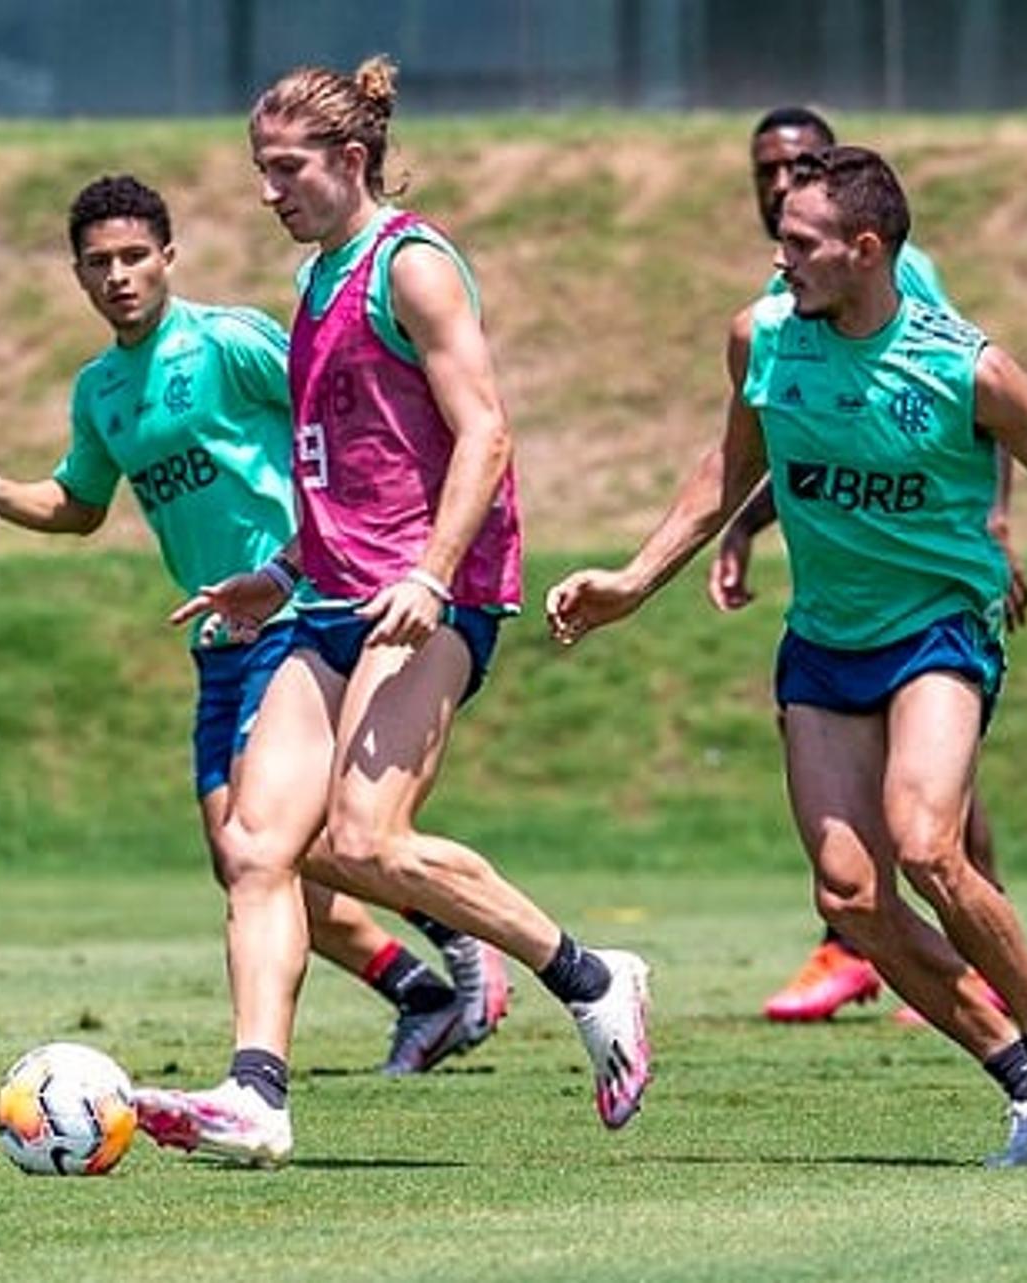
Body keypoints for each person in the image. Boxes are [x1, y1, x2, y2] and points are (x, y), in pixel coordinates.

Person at [546, 145, 1027, 1167]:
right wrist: (636, 580)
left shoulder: (966, 365)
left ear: (866, 251)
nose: (781, 262)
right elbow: (727, 467)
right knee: (848, 896)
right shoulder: (763, 338)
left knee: (925, 844)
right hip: (822, 639)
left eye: (801, 244)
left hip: (937, 628)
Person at [131, 56, 653, 1168]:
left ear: (351, 160)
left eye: (285, 169)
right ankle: (256, 1092)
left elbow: (485, 432)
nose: (267, 191)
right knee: (258, 843)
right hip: (319, 598)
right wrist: (274, 568)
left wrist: (429, 571)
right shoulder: (316, 281)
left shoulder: (409, 265)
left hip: (433, 596)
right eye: (259, 171)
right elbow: (345, 469)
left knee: (367, 839)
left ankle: (593, 976)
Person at [0, 173, 511, 1080]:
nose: (117, 276)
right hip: (217, 639)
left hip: (298, 606)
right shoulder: (102, 391)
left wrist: (354, 548)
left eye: (132, 257)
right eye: (97, 263)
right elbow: (79, 504)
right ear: (77, 276)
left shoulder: (228, 343)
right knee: (239, 860)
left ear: (167, 258)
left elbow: (339, 414)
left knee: (270, 846)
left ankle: (456, 938)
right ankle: (421, 992)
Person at [716, 106, 1027, 1024]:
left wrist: (997, 524)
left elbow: (958, 400)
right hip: (837, 598)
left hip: (927, 574)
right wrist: (742, 525)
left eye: (800, 164)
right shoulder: (787, 300)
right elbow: (818, 437)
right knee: (888, 792)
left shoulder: (892, 274)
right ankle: (884, 939)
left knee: (925, 804)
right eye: (765, 169)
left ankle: (933, 952)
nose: (780, 181)